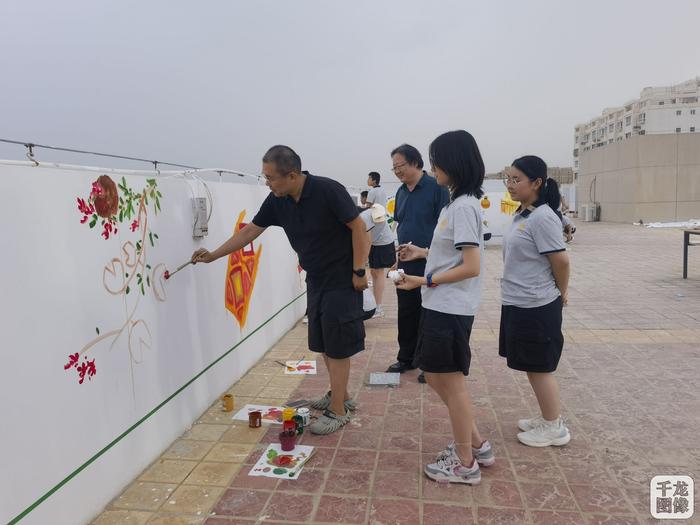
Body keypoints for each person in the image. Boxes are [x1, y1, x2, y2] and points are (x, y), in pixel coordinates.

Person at [191, 145, 370, 435]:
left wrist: (359, 270)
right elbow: (250, 231)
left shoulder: (327, 191)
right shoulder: (278, 201)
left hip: (342, 277)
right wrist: (213, 255)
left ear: (292, 175)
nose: (267, 183)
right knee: (323, 341)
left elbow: (359, 228)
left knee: (338, 345)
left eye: (271, 177)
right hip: (316, 278)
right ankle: (340, 396)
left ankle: (339, 411)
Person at [396, 130, 493, 485]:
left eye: (436, 160)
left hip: (450, 307)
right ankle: (478, 445)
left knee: (449, 383)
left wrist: (424, 280)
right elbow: (453, 253)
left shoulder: (464, 206)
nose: (433, 167)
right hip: (441, 305)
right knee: (438, 376)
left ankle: (465, 462)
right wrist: (422, 254)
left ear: (453, 163)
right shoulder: (457, 203)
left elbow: (471, 266)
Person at [499, 155, 571, 447]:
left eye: (517, 179)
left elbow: (561, 261)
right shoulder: (524, 213)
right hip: (520, 300)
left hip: (537, 303)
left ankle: (554, 427)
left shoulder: (543, 217)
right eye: (509, 178)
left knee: (541, 366)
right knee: (532, 364)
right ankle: (547, 416)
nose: (510, 184)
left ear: (537, 182)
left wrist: (561, 293)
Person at [386, 144, 449, 383]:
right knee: (407, 312)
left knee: (429, 314)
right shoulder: (401, 192)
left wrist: (425, 253)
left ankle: (427, 363)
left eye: (400, 166)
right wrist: (395, 260)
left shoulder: (437, 188)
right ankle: (407, 358)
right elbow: (401, 227)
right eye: (394, 168)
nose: (397, 171)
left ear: (415, 162)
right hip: (405, 263)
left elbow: (445, 228)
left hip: (431, 262)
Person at [359, 203, 395, 318]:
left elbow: (367, 241)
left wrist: (362, 261)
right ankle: (376, 305)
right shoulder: (363, 216)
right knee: (374, 273)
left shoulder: (363, 217)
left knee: (378, 273)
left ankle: (378, 308)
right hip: (376, 242)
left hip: (382, 243)